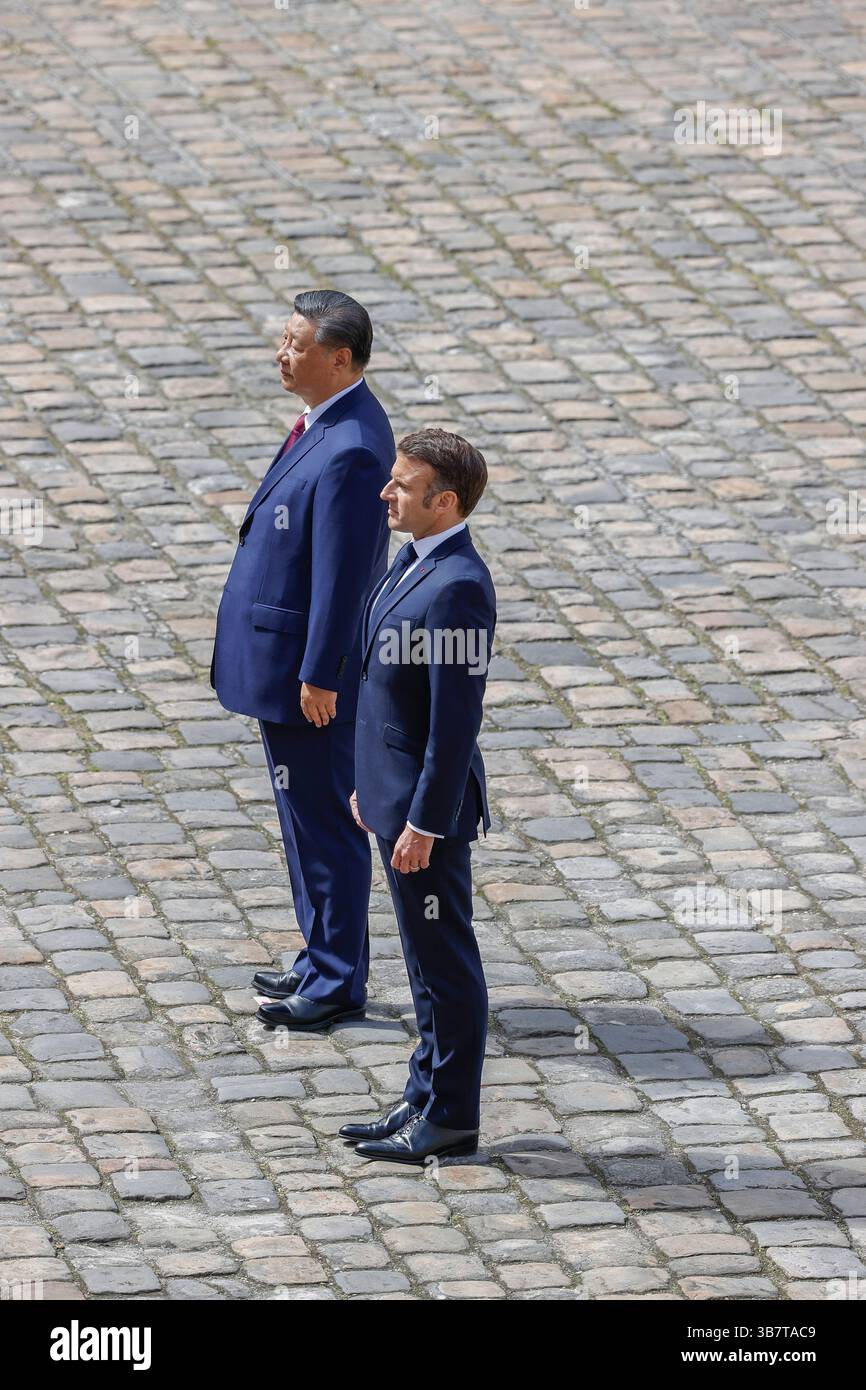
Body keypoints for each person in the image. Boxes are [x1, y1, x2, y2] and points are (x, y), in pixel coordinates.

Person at [210, 290, 394, 1030]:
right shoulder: (329, 421)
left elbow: (345, 575)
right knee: (302, 821)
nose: (280, 355)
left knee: (324, 823)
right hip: (288, 665)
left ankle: (337, 979)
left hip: (308, 678)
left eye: (295, 344)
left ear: (339, 358)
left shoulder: (351, 448)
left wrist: (320, 673)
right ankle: (320, 955)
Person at [342, 428, 496, 1164]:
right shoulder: (413, 561)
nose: (385, 493)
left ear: (445, 501)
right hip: (392, 798)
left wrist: (425, 822)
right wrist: (368, 787)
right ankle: (423, 1092)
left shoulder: (459, 586)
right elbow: (383, 692)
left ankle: (451, 1120)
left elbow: (454, 723)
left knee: (444, 964)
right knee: (419, 958)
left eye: (401, 486)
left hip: (425, 817)